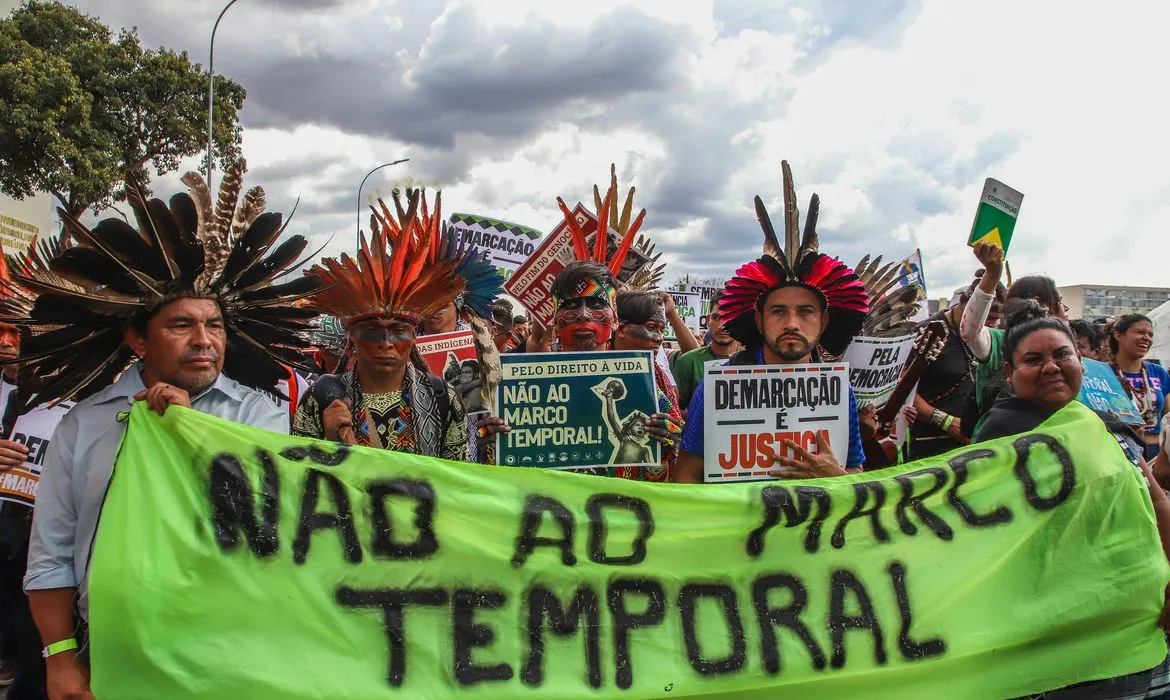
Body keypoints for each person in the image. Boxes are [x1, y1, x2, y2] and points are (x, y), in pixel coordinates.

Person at [19, 165, 315, 700]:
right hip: (110, 655)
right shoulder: (82, 426)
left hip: (233, 654)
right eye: (182, 325)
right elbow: (51, 553)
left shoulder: (262, 417)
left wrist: (189, 433)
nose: (204, 340)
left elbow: (268, 523)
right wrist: (60, 658)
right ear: (138, 339)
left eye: (215, 325)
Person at [674, 168, 868, 483]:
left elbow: (856, 469)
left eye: (805, 311)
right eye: (778, 311)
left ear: (824, 320)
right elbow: (686, 476)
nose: (792, 323)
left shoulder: (839, 390)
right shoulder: (717, 386)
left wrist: (836, 477)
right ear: (759, 320)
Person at [294, 188, 468, 460]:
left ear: (413, 336)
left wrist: (489, 443)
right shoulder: (319, 399)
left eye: (398, 331)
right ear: (352, 333)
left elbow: (463, 480)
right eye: (372, 330)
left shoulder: (443, 399)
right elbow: (297, 480)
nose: (386, 343)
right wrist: (329, 446)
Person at [959, 242, 1067, 437]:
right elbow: (969, 331)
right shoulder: (999, 341)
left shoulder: (1066, 346)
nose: (1064, 309)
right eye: (1059, 301)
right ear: (1039, 302)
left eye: (1061, 355)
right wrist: (992, 275)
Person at [906, 274, 1004, 460]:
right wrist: (945, 421)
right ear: (966, 304)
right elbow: (904, 385)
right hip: (931, 443)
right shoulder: (927, 332)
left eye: (997, 320)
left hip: (976, 441)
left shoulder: (990, 337)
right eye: (988, 317)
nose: (991, 325)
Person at [1109, 314, 1170, 460]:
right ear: (1118, 335)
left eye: (1150, 334)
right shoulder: (1104, 373)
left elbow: (1168, 415)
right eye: (1140, 332)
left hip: (1156, 451)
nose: (1147, 338)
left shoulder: (1158, 372)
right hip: (1121, 450)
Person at [671, 290, 737, 416]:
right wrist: (703, 419)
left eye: (730, 317)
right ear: (707, 321)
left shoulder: (753, 362)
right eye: (716, 317)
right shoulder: (687, 362)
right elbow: (673, 410)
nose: (722, 325)